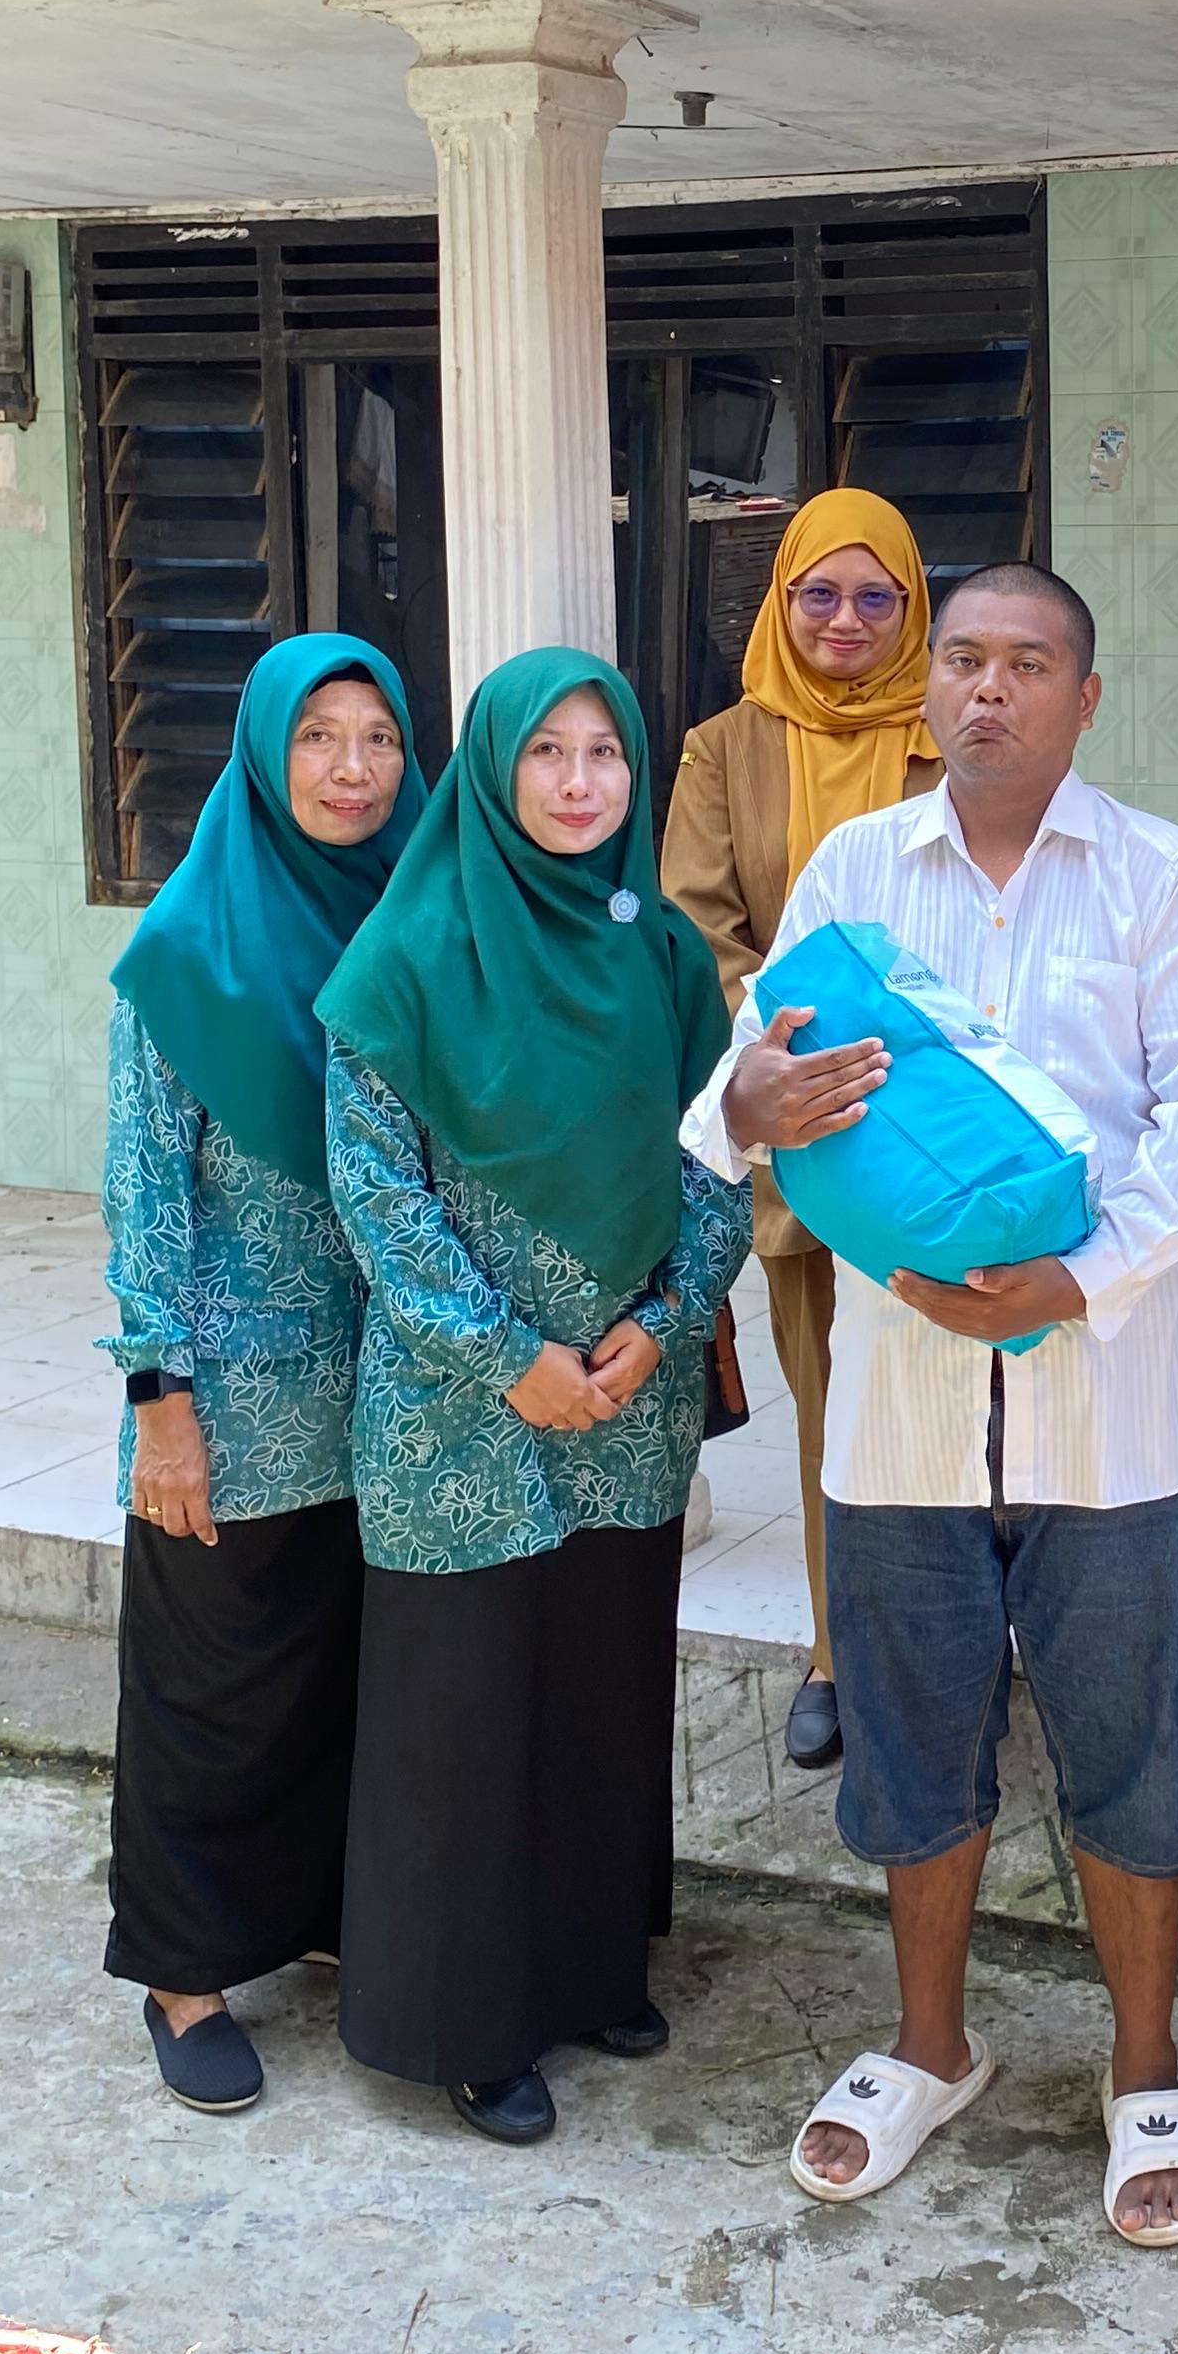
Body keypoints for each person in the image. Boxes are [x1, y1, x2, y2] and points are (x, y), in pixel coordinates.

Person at [682, 564, 1178, 2243]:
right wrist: (752, 1102)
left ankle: (1145, 2067)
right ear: (931, 693)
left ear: (1086, 697)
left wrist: (1075, 1280)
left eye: (1027, 664)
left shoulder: (1162, 880)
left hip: (1114, 1410)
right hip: (899, 1414)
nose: (988, 690)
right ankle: (929, 2047)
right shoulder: (855, 873)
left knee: (1132, 1752)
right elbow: (739, 1095)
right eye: (964, 662)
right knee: (912, 1742)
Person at [317, 649, 751, 2147]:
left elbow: (717, 1157)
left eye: (605, 754)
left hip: (627, 1397)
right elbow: (378, 1195)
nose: (579, 783)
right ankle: (467, 2024)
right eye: (547, 754)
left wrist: (667, 1322)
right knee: (462, 1713)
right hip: (458, 1414)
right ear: (494, 771)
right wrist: (507, 1356)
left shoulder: (666, 960)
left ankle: (588, 1970)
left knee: (598, 1689)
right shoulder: (403, 958)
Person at [101, 636, 425, 2115]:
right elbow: (143, 1185)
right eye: (318, 738)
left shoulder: (414, 915)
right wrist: (157, 1400)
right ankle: (184, 1973)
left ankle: (311, 1915)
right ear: (262, 750)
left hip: (396, 1386)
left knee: (343, 1677)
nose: (352, 770)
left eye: (378, 738)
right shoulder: (188, 945)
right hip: (231, 1398)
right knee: (212, 1686)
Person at [662, 488, 938, 1779]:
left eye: (877, 597)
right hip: (799, 1128)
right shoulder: (723, 749)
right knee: (833, 1404)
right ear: (778, 602)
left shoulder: (955, 728)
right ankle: (836, 1651)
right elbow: (698, 927)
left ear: (913, 607)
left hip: (935, 1124)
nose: (846, 620)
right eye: (818, 594)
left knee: (954, 1396)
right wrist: (786, 1060)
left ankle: (949, 1648)